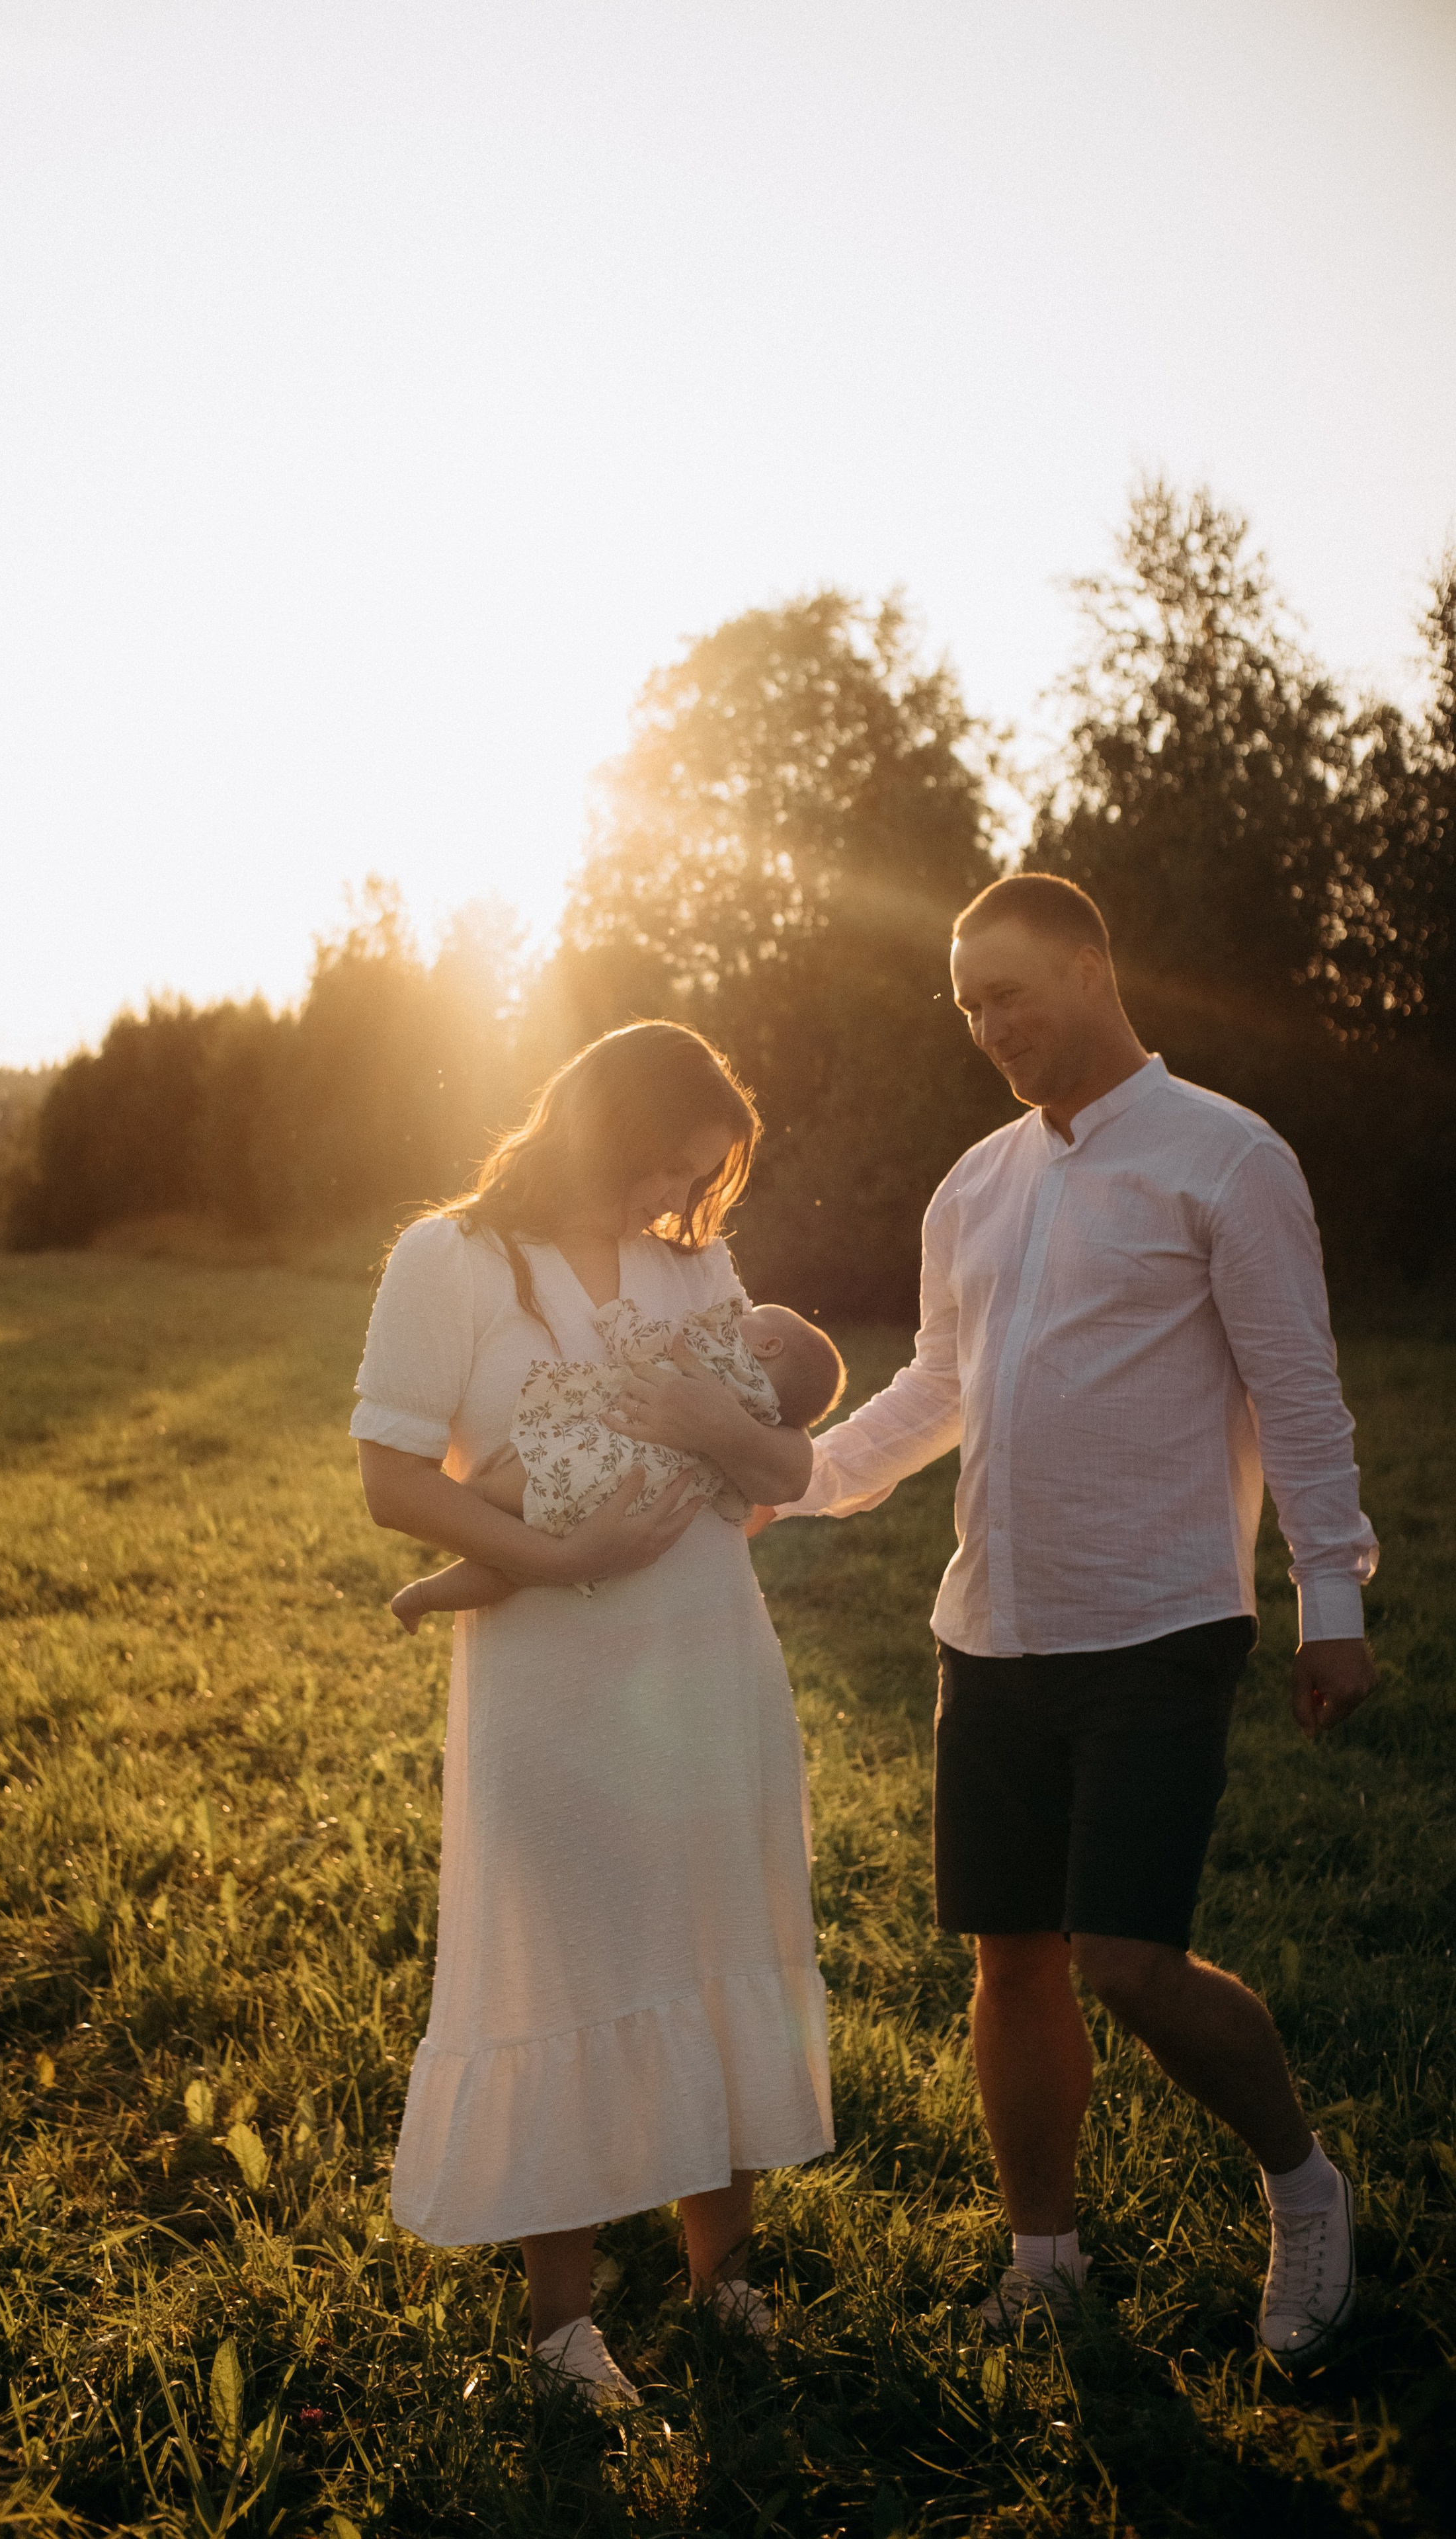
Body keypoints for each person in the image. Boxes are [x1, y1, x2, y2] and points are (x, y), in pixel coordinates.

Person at [727, 872, 1375, 2362]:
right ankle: (1045, 2264)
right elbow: (937, 1386)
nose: (988, 1027)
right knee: (1009, 1959)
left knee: (1126, 1961)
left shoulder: (1225, 1157)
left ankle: (1305, 2190)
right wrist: (801, 1483)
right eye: (967, 1006)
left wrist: (1329, 1600)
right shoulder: (973, 1183)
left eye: (1009, 994)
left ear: (1090, 968)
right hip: (989, 1629)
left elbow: (1295, 1390)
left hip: (1158, 1621)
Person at [352, 1021, 834, 2407]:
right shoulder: (449, 1258)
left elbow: (781, 1465)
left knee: (714, 1940)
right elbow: (392, 1480)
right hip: (550, 1675)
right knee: (560, 1965)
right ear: (604, 1133)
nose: (675, 1201)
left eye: (697, 1179)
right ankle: (562, 2331)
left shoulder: (693, 1264)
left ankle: (723, 2284)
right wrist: (562, 1556)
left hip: (707, 1664)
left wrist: (706, 1421)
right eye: (666, 1168)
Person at [389, 1295, 846, 1632]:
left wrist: (616, 1316)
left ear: (768, 1345)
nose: (737, 1315)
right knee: (513, 1574)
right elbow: (734, 1503)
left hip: (587, 1462)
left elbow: (647, 1347)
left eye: (750, 1316)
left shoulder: (718, 1353)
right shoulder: (764, 1422)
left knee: (487, 1495)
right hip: (629, 1516)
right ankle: (425, 1596)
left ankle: (457, 1520)